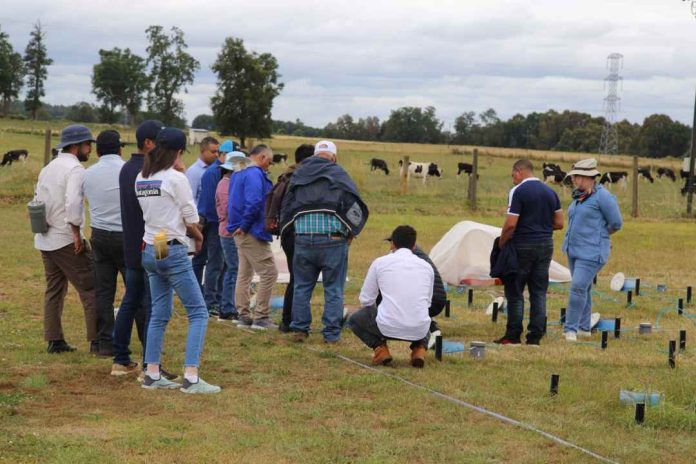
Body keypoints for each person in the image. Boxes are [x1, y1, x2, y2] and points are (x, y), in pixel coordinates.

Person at [136, 127, 220, 394]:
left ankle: (152, 373)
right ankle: (191, 377)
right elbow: (191, 217)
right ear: (178, 152)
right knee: (198, 312)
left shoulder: (142, 177)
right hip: (172, 247)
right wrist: (197, 235)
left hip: (153, 245)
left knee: (159, 313)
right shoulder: (176, 178)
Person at [280, 140, 369, 343]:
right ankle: (331, 334)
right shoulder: (339, 174)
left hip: (302, 239)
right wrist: (350, 232)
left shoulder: (299, 174)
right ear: (334, 157)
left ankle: (300, 330)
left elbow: (288, 206)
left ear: (314, 155)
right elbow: (352, 205)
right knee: (333, 289)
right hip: (333, 240)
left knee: (302, 287)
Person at [33, 124, 97, 353]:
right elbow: (73, 203)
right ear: (76, 145)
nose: (90, 149)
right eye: (88, 144)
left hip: (45, 236)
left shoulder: (49, 167)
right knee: (91, 287)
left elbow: (37, 200)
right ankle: (98, 340)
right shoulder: (76, 169)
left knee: (54, 289)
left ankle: (54, 339)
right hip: (65, 237)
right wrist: (76, 232)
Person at [112, 120, 167, 377]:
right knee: (155, 305)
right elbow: (159, 216)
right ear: (148, 143)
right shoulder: (149, 173)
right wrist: (163, 254)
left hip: (132, 247)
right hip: (151, 246)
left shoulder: (126, 169)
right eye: (161, 141)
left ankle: (121, 359)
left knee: (131, 301)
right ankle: (151, 364)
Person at [494, 159, 564, 346]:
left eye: (513, 175)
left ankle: (513, 335)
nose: (513, 179)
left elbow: (510, 224)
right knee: (538, 291)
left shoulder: (518, 191)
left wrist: (501, 243)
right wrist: (540, 226)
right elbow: (559, 223)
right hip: (545, 245)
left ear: (519, 172)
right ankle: (535, 337)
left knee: (515, 291)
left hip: (522, 245)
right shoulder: (551, 192)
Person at [348, 225, 433, 368]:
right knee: (424, 317)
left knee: (355, 319)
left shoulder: (380, 263)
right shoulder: (426, 266)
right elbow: (428, 303)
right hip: (419, 329)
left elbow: (366, 300)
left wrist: (382, 308)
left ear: (392, 243)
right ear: (414, 246)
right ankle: (419, 349)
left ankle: (380, 349)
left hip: (386, 326)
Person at [562, 159, 623, 342]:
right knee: (584, 289)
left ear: (591, 178)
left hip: (592, 253)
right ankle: (583, 328)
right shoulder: (578, 196)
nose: (576, 181)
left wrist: (601, 236)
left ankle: (570, 330)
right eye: (574, 177)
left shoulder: (603, 197)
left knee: (577, 287)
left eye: (579, 177)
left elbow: (616, 223)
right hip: (573, 251)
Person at [82, 130, 127, 357]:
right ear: (120, 148)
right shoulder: (130, 171)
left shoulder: (88, 174)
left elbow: (75, 207)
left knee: (104, 291)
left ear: (98, 151)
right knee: (136, 290)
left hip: (99, 234)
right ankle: (143, 337)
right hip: (125, 236)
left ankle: (104, 342)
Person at [264, 143, 315, 332]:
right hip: (297, 233)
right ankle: (289, 321)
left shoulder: (286, 176)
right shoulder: (303, 179)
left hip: (285, 234)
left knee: (296, 277)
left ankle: (289, 320)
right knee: (300, 279)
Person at [227, 144, 278, 330]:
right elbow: (255, 201)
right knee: (269, 272)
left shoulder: (238, 171)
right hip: (251, 230)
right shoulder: (255, 173)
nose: (269, 167)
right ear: (263, 157)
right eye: (269, 162)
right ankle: (261, 317)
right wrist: (245, 225)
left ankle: (244, 315)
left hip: (238, 230)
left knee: (244, 273)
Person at [196, 139, 237, 316]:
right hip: (215, 224)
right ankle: (210, 301)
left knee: (224, 264)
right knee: (215, 263)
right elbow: (211, 203)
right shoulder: (214, 173)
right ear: (224, 155)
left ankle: (220, 297)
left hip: (220, 223)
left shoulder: (222, 171)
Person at [215, 151, 250, 322]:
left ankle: (228, 305)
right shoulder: (225, 184)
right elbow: (230, 210)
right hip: (229, 233)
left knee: (233, 269)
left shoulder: (230, 183)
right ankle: (228, 307)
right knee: (234, 269)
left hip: (232, 231)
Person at [186, 136, 220, 288]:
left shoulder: (215, 170)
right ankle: (195, 288)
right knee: (199, 258)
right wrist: (195, 223)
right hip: (199, 222)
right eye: (213, 152)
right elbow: (190, 197)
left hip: (210, 221)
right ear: (202, 151)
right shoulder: (194, 172)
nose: (216, 155)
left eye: (218, 152)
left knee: (211, 257)